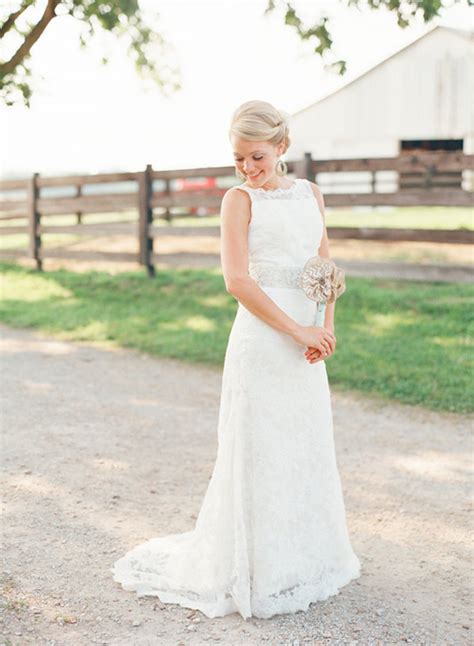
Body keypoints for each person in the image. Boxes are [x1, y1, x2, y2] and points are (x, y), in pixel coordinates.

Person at [111, 100, 361, 620]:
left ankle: (304, 557)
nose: (248, 168)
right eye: (239, 159)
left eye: (257, 157)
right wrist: (296, 329)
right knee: (260, 446)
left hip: (309, 335)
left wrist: (325, 329)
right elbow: (237, 280)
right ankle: (258, 567)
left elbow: (324, 265)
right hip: (264, 339)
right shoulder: (238, 200)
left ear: (281, 148)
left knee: (303, 440)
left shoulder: (311, 194)